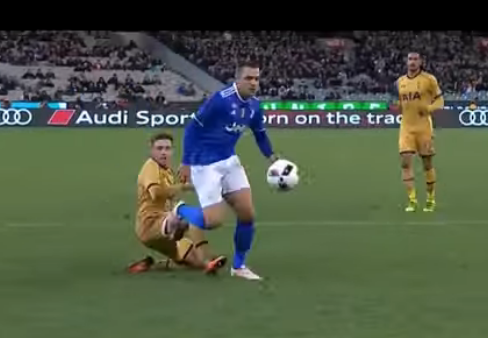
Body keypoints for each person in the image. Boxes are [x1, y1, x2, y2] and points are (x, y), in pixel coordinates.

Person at [177, 60, 282, 281]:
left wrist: (272, 158)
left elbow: (260, 135)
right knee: (213, 222)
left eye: (257, 78)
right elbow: (192, 128)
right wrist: (185, 162)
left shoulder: (254, 105)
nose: (254, 83)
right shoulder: (220, 101)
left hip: (229, 161)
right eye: (249, 78)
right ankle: (180, 211)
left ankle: (239, 266)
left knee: (247, 214)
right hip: (204, 164)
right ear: (238, 80)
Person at [128, 132, 226, 274]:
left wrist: (199, 186)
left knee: (194, 262)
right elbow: (155, 192)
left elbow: (172, 190)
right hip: (151, 223)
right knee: (188, 215)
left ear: (172, 150)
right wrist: (182, 187)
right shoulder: (151, 167)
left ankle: (151, 265)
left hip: (163, 226)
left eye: (167, 148)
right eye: (159, 148)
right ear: (151, 150)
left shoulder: (166, 170)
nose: (164, 152)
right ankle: (208, 261)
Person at [396, 52, 444, 212]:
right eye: (410, 59)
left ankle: (430, 199)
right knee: (405, 160)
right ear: (406, 62)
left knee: (427, 163)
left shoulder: (429, 80)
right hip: (406, 127)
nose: (412, 62)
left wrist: (429, 109)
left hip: (423, 127)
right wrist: (397, 108)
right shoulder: (400, 82)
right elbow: (401, 103)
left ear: (421, 62)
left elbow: (440, 100)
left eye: (415, 59)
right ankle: (412, 200)